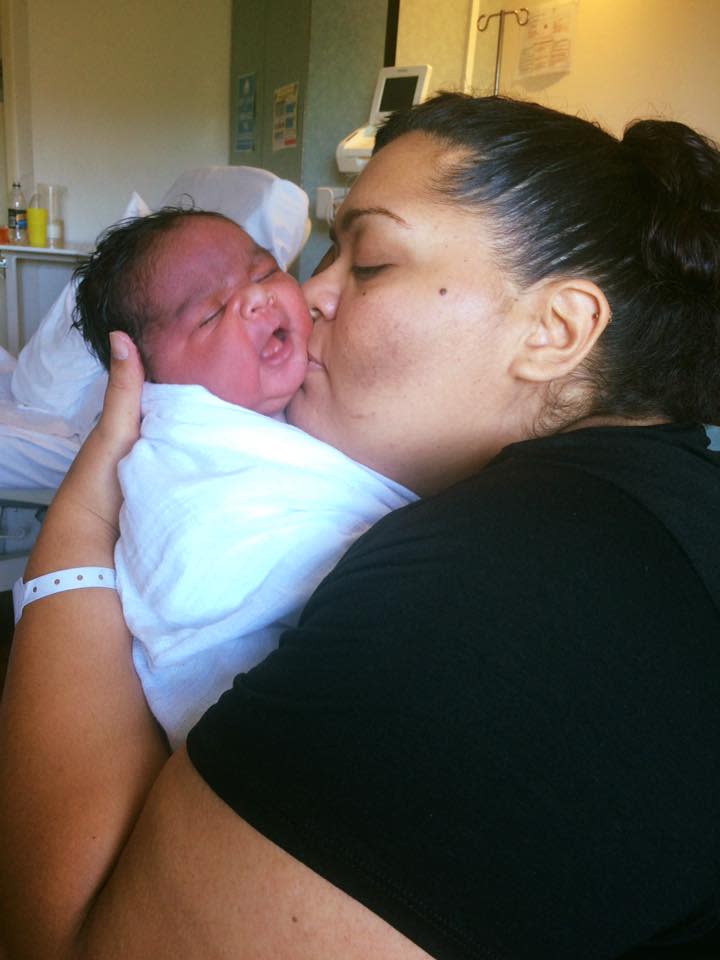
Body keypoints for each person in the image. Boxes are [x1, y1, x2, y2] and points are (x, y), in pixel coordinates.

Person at [2, 91, 720, 960]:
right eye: (325, 252)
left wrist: (82, 509)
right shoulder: (649, 503)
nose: (310, 293)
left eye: (369, 263)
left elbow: (61, 941)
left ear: (556, 330)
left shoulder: (500, 598)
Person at [71, 209, 415, 747]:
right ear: (150, 377)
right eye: (209, 315)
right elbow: (189, 572)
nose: (256, 300)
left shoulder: (323, 380)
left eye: (264, 273)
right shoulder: (185, 449)